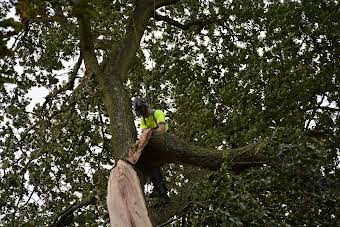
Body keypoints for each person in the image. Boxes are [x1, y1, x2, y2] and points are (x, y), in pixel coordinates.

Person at [131, 97, 169, 199]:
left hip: (164, 142)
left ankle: (160, 189)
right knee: (149, 163)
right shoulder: (143, 121)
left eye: (142, 110)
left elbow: (161, 130)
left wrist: (150, 132)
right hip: (152, 145)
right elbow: (143, 135)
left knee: (151, 162)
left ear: (146, 107)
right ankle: (160, 190)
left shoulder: (157, 113)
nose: (142, 113)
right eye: (139, 112)